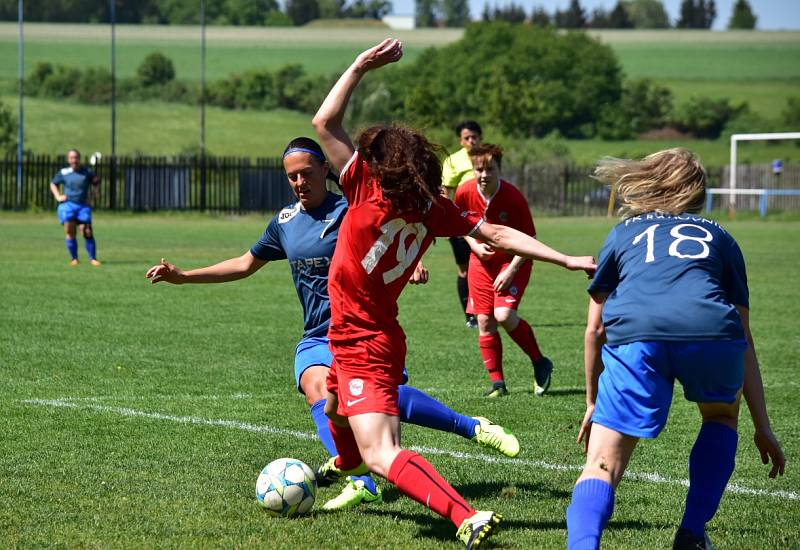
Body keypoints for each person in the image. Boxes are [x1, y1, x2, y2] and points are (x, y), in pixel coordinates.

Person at [312, 38, 595, 548]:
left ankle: (465, 515)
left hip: (363, 339)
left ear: (381, 163)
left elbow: (323, 123)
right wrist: (564, 257)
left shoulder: (363, 186)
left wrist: (357, 66)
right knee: (334, 409)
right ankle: (344, 460)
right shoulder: (432, 210)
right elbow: (498, 234)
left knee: (382, 453)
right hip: (364, 331)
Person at [145, 137, 521, 511]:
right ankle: (361, 480)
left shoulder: (353, 207)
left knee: (370, 403)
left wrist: (411, 265)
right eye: (291, 177)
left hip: (363, 326)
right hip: (317, 334)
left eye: (306, 173)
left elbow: (393, 234)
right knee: (319, 390)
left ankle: (469, 426)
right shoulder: (285, 222)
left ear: (326, 169)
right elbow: (245, 264)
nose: (299, 182)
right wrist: (185, 276)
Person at [566, 148, 785, 550]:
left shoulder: (623, 233)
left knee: (600, 462)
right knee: (720, 416)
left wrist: (593, 401)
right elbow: (744, 335)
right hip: (711, 331)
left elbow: (594, 329)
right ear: (697, 193)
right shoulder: (721, 237)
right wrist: (762, 425)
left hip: (637, 331)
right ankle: (691, 533)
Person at [454, 144, 554, 398]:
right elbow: (457, 224)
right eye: (479, 169)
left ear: (499, 169)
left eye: (490, 168)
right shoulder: (464, 192)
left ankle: (539, 361)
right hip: (480, 263)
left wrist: (510, 270)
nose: (484, 174)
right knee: (484, 321)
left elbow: (530, 238)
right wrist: (475, 246)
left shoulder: (513, 197)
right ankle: (498, 384)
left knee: (504, 315)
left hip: (514, 262)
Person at [442, 120, 483, 329]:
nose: (471, 141)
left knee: (487, 267)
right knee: (465, 271)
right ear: (461, 140)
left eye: (474, 136)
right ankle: (470, 315)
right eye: (467, 137)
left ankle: (488, 310)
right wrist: (448, 223)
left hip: (485, 223)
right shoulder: (453, 161)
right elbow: (446, 192)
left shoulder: (485, 158)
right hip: (461, 223)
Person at [50, 149, 101, 266]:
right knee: (70, 231)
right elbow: (53, 183)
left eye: (76, 157)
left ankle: (92, 258)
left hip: (83, 205)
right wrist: (58, 196)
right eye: (72, 158)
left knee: (87, 231)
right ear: (68, 159)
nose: (74, 160)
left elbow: (97, 183)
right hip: (68, 205)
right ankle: (74, 259)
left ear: (79, 158)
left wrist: (92, 197)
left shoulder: (87, 172)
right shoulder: (64, 172)